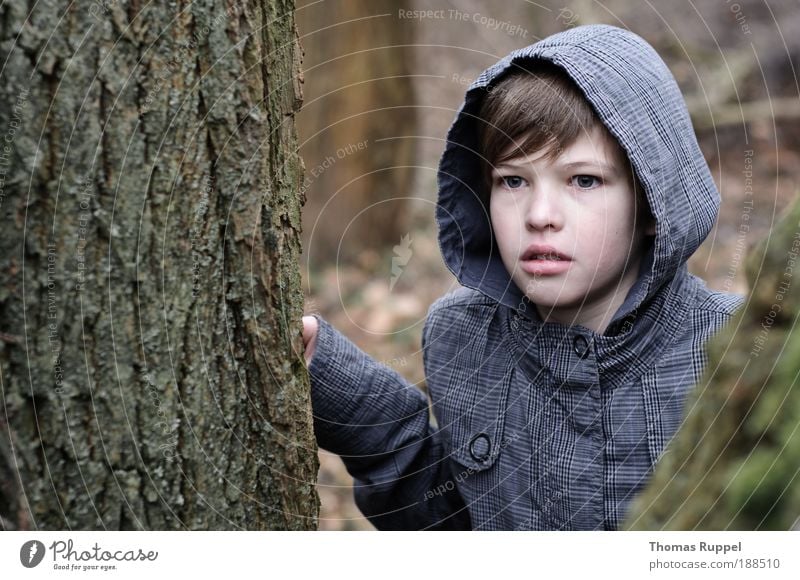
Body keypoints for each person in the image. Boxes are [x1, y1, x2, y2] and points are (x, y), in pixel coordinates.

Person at [301, 24, 745, 530]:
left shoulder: (737, 352)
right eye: (513, 180)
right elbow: (451, 524)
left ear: (651, 201)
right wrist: (345, 394)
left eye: (583, 180)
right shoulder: (462, 338)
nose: (540, 214)